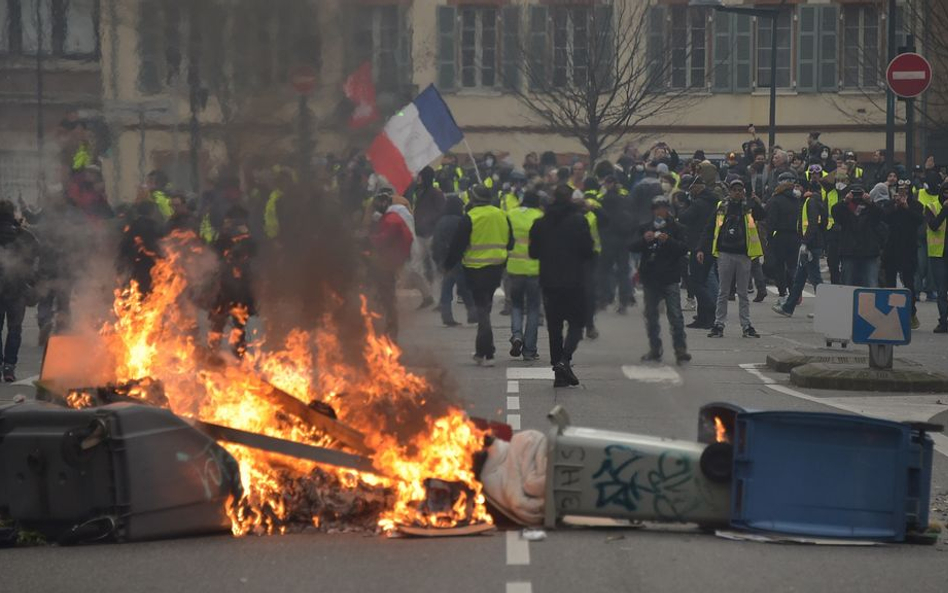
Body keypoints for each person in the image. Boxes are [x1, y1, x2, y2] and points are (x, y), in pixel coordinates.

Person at [529, 185, 594, 387]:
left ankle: (558, 370)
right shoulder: (579, 221)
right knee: (577, 323)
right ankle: (565, 360)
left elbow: (533, 253)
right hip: (574, 281)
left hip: (549, 282)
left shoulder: (540, 223)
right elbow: (587, 251)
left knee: (554, 328)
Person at [446, 185, 513, 366]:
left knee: (482, 311)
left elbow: (457, 245)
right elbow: (511, 242)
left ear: (473, 199)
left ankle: (489, 353)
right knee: (485, 308)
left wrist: (447, 265)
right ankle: (481, 352)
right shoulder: (501, 215)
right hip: (496, 268)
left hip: (475, 269)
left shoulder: (470, 217)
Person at [698, 178, 765, 338]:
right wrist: (701, 248)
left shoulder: (749, 207)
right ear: (730, 191)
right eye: (734, 189)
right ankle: (719, 324)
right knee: (723, 291)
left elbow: (763, 215)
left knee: (743, 293)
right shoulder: (722, 207)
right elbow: (710, 227)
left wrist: (756, 201)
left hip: (743, 254)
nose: (737, 192)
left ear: (744, 192)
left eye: (740, 190)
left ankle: (746, 325)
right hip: (725, 253)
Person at [630, 197, 691, 364]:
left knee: (676, 316)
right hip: (651, 278)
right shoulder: (645, 228)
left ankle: (680, 349)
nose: (660, 211)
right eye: (657, 208)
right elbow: (631, 246)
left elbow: (684, 248)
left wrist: (668, 241)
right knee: (651, 316)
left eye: (663, 208)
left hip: (670, 277)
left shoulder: (677, 228)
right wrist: (645, 239)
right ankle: (655, 349)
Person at [0, 201, 39, 382]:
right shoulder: (24, 235)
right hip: (17, 288)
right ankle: (9, 366)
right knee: (15, 329)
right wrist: (33, 282)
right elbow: (36, 257)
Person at [367, 189, 413, 339]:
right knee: (384, 298)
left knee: (387, 300)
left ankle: (390, 333)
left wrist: (369, 240)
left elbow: (383, 239)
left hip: (387, 265)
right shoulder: (390, 217)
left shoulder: (391, 220)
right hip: (387, 263)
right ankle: (387, 330)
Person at [878, 179, 925, 329]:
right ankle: (892, 312)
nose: (903, 192)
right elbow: (885, 218)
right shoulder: (891, 204)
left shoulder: (917, 205)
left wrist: (907, 208)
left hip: (908, 248)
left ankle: (911, 312)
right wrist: (897, 206)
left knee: (909, 283)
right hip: (892, 248)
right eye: (900, 189)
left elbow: (919, 220)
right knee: (889, 282)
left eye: (905, 189)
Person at [773, 184, 824, 318]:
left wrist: (806, 243)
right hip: (807, 244)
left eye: (797, 186)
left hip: (810, 246)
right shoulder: (806, 201)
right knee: (800, 279)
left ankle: (824, 308)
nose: (794, 189)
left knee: (815, 278)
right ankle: (788, 307)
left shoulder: (810, 202)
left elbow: (812, 224)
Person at [679, 165, 721, 330]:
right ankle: (704, 316)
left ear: (697, 188)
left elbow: (684, 218)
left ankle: (709, 311)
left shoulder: (698, 204)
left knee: (697, 281)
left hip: (698, 244)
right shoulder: (714, 202)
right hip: (711, 244)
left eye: (692, 189)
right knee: (706, 278)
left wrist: (683, 204)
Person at [506, 190, 544, 361]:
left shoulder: (511, 214)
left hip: (514, 267)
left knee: (516, 305)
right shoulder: (540, 217)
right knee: (534, 308)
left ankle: (517, 335)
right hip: (535, 269)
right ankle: (529, 350)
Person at [433, 196, 475, 327]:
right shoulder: (460, 221)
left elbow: (435, 242)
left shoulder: (441, 221)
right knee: (464, 287)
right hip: (457, 258)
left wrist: (437, 259)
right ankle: (473, 313)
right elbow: (466, 240)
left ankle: (446, 315)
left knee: (447, 287)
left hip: (444, 259)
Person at [597, 174, 636, 313]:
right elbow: (632, 218)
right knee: (623, 272)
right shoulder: (625, 199)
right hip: (623, 240)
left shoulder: (603, 200)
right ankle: (623, 302)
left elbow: (599, 220)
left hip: (607, 239)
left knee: (605, 270)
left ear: (609, 184)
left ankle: (604, 299)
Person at [831, 185, 883, 287]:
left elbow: (880, 215)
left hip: (869, 252)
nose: (857, 197)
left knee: (871, 282)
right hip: (849, 251)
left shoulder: (870, 208)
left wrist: (871, 203)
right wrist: (845, 201)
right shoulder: (845, 209)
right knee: (848, 283)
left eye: (860, 194)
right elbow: (835, 213)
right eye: (855, 194)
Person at [411, 166, 445, 309]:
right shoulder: (420, 192)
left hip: (431, 235)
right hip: (419, 235)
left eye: (420, 175)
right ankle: (427, 295)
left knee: (436, 268)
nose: (417, 178)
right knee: (413, 268)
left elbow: (441, 212)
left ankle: (440, 301)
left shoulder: (436, 193)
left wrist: (429, 221)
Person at [765, 172, 801, 299]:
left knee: (779, 264)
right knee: (792, 265)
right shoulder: (798, 200)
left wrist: (768, 237)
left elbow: (770, 221)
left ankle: (782, 291)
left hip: (779, 236)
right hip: (795, 236)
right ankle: (794, 291)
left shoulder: (775, 200)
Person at [923, 181, 948, 333]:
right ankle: (943, 321)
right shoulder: (932, 206)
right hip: (938, 254)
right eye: (945, 191)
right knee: (941, 290)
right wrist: (944, 210)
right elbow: (933, 225)